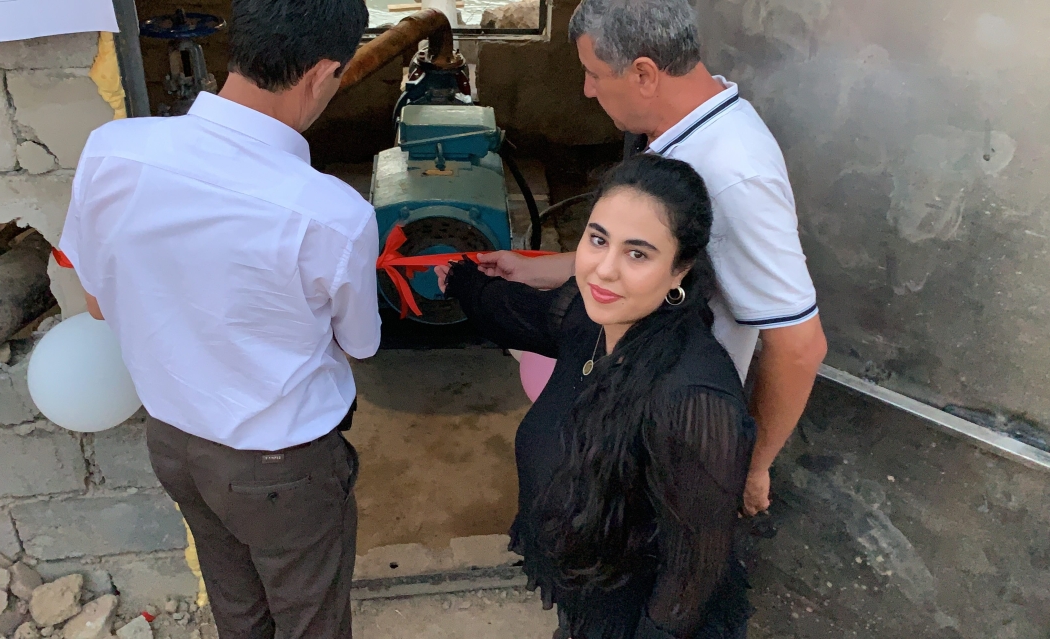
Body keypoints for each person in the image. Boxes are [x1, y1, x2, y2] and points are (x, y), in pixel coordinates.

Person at [57, 0, 377, 636]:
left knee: (236, 607)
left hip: (174, 444)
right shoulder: (332, 214)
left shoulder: (113, 151)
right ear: (323, 73)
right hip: (283, 466)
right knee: (311, 620)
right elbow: (360, 344)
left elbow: (96, 300)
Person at [478, 0, 827, 516]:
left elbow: (798, 346)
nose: (588, 89)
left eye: (594, 74)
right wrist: (539, 268)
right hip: (632, 394)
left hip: (672, 426)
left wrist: (747, 466)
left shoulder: (734, 173)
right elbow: (637, 258)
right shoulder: (678, 133)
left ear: (644, 72)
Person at [437, 154, 756, 639]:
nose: (603, 270)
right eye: (597, 239)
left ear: (680, 270)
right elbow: (515, 309)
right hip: (588, 597)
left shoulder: (691, 396)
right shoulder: (590, 320)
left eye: (638, 253)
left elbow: (692, 575)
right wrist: (462, 279)